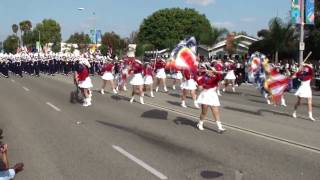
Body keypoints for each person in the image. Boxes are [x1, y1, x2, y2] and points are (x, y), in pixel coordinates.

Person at [196, 64, 226, 133]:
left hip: (213, 95)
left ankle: (219, 127)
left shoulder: (216, 77)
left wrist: (216, 72)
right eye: (208, 70)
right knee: (204, 112)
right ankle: (200, 123)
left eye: (210, 70)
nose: (208, 72)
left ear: (213, 72)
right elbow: (199, 88)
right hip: (205, 95)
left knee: (216, 111)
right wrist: (201, 86)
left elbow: (220, 76)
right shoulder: (203, 78)